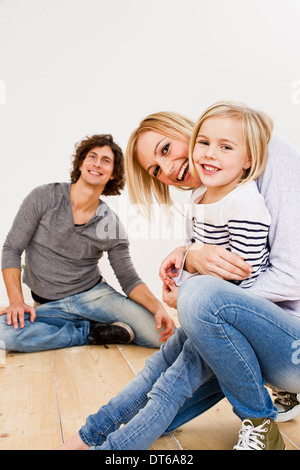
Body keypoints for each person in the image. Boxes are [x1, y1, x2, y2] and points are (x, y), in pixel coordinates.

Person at [59, 102, 300, 450]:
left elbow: (289, 276)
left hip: (290, 346)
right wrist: (189, 260)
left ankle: (260, 422)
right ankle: (90, 435)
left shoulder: (267, 155)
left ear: (190, 127)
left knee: (195, 318)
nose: (170, 169)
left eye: (167, 149)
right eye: (157, 169)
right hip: (246, 337)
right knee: (164, 388)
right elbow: (210, 278)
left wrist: (196, 300)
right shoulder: (202, 200)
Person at [0, 134, 175, 353]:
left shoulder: (110, 223)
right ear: (81, 164)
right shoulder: (44, 197)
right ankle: (90, 332)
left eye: (106, 161)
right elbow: (12, 249)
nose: (97, 164)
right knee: (4, 334)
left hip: (93, 296)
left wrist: (158, 307)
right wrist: (16, 300)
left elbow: (129, 279)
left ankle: (83, 327)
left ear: (112, 175)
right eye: (92, 157)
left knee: (163, 337)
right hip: (49, 305)